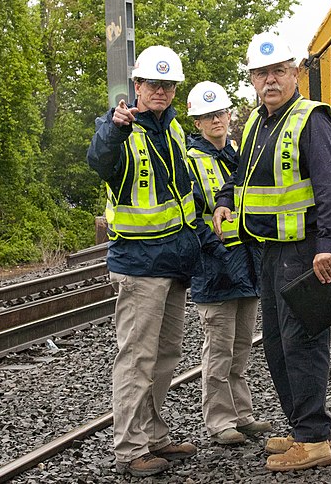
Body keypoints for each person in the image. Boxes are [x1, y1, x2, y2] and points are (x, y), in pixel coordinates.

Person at [212, 32, 331, 472]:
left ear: (295, 73)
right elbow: (242, 174)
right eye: (261, 73)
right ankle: (299, 427)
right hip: (268, 251)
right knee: (275, 343)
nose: (270, 80)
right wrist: (224, 198)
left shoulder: (311, 119)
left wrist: (327, 245)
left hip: (304, 249)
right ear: (252, 79)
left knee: (302, 342)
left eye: (278, 72)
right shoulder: (257, 122)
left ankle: (314, 439)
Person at [86, 45, 200, 478]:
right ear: (137, 86)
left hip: (173, 261)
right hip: (138, 263)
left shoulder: (171, 129)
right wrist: (114, 129)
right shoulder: (118, 127)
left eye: (168, 85)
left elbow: (181, 195)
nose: (161, 91)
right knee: (136, 359)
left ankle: (153, 435)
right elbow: (99, 161)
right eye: (153, 84)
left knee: (166, 354)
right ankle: (130, 448)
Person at [185, 81, 272, 446]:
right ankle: (220, 421)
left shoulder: (239, 153)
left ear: (229, 115)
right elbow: (190, 215)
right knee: (219, 350)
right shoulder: (189, 160)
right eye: (207, 116)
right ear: (197, 123)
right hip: (214, 267)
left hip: (247, 264)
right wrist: (217, 253)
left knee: (241, 347)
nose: (215, 120)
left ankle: (242, 415)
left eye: (219, 112)